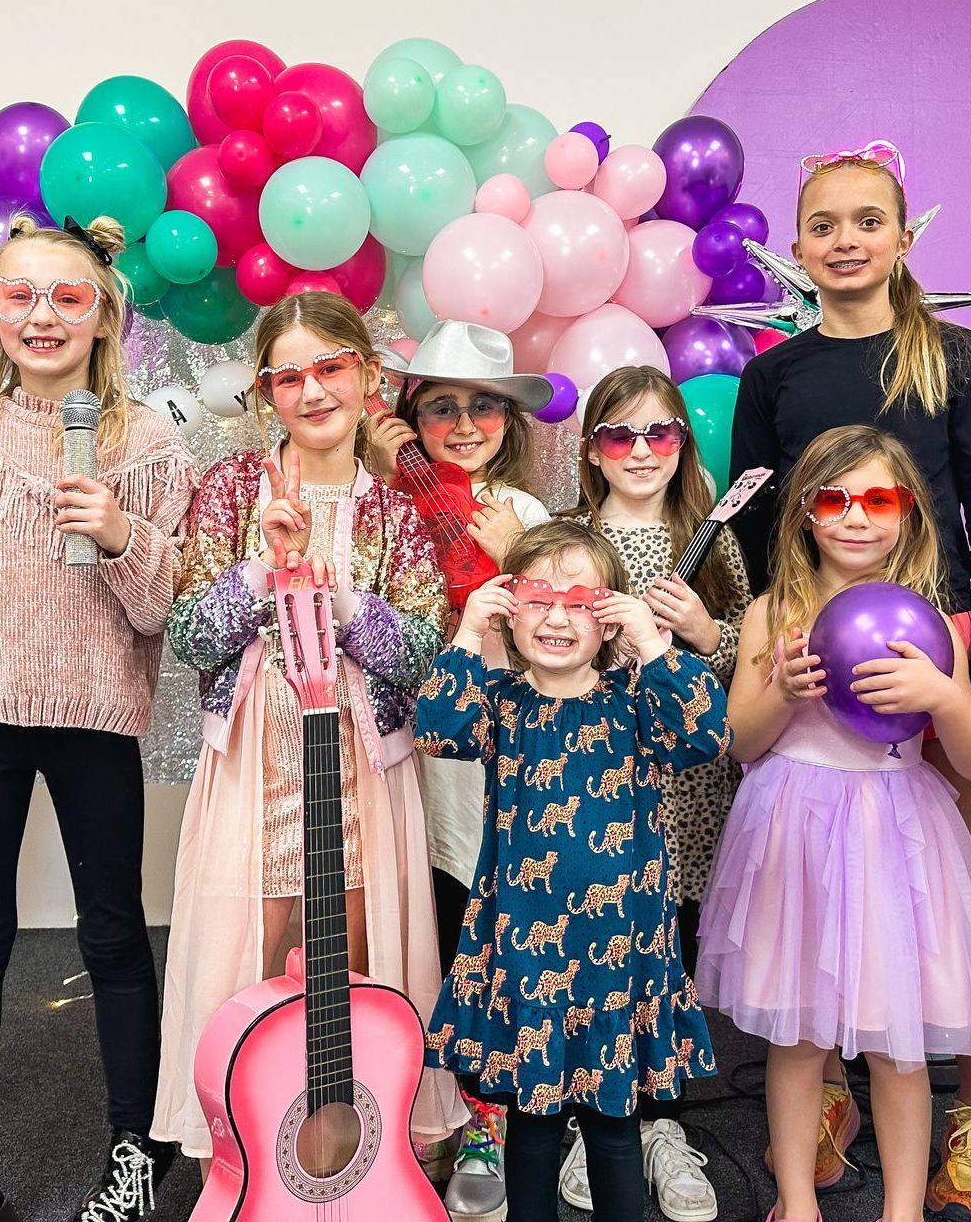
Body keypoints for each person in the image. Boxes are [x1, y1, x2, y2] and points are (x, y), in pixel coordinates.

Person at [0, 216, 196, 1222]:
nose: (42, 316)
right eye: (19, 295)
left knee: (112, 933)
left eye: (67, 297)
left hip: (98, 718)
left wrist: (117, 533)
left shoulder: (146, 440)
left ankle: (134, 1146)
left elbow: (167, 611)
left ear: (104, 314)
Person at [152, 291, 465, 1171]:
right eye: (289, 376)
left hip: (361, 759)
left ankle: (348, 1155)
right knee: (259, 950)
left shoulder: (396, 506)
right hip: (257, 757)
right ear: (263, 393)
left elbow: (421, 653)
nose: (312, 391)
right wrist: (261, 569)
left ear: (368, 378)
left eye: (330, 368)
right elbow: (188, 637)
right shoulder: (228, 490)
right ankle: (250, 1153)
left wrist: (341, 598)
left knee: (351, 965)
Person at [729, 140, 971, 1206]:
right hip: (811, 635)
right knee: (823, 905)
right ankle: (815, 1131)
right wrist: (776, 637)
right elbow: (753, 522)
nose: (846, 241)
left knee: (930, 913)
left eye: (868, 222)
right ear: (796, 246)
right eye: (824, 225)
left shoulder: (949, 357)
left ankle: (947, 1137)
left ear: (904, 238)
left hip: (937, 631)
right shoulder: (773, 375)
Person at [416, 520, 729, 1222]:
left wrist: (652, 644)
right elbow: (437, 730)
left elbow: (708, 734)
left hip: (620, 959)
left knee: (613, 1129)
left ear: (609, 616)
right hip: (527, 950)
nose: (557, 617)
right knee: (532, 1123)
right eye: (537, 597)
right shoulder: (501, 703)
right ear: (508, 606)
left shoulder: (634, 700)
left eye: (581, 601)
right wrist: (469, 633)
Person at [699, 424, 971, 1222]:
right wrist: (781, 687)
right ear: (805, 517)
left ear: (911, 514)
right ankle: (797, 1202)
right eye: (834, 498)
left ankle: (900, 1212)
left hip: (894, 837)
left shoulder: (935, 627)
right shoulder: (770, 614)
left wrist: (946, 699)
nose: (856, 516)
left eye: (878, 499)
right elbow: (739, 743)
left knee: (899, 1046)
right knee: (797, 1041)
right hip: (794, 838)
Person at [364, 318, 554, 1220]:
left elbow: (564, 640)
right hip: (421, 756)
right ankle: (458, 1113)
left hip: (518, 768)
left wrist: (519, 550)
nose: (466, 422)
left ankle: (528, 1117)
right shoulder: (390, 504)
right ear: (412, 416)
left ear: (511, 420)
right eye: (443, 406)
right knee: (441, 939)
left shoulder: (531, 514)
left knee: (520, 944)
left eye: (484, 405)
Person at [559, 365, 752, 1220]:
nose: (641, 450)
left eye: (660, 433)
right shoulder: (571, 541)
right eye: (619, 434)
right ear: (593, 451)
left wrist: (705, 631)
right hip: (595, 789)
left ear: (683, 444)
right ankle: (586, 1120)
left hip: (685, 795)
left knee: (664, 957)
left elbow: (745, 653)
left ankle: (662, 1125)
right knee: (584, 955)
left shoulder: (715, 540)